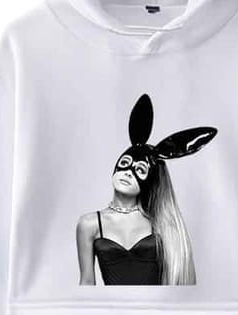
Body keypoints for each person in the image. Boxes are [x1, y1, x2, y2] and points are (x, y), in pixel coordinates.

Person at [77, 94, 216, 285]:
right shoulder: (89, 224)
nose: (128, 171)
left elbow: (180, 284)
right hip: (112, 305)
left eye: (140, 170)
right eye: (124, 163)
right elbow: (87, 283)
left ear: (150, 180)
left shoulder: (162, 225)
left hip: (156, 304)